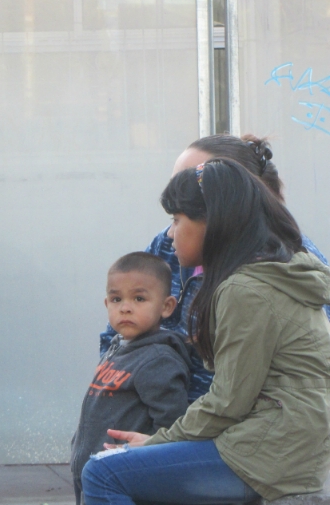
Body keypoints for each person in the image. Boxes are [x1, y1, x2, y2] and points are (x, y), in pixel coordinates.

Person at [81, 159, 330, 505]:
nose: (170, 233)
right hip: (285, 446)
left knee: (102, 473)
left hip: (267, 455)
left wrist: (157, 441)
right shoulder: (271, 272)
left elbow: (229, 401)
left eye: (177, 220)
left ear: (212, 224)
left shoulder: (247, 290)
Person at [100, 134, 330, 401]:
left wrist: (175, 437)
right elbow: (117, 329)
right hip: (157, 419)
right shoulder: (168, 245)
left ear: (233, 195)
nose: (179, 196)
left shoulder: (287, 266)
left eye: (194, 186)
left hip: (228, 428)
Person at [71, 252, 190, 505]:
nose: (125, 307)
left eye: (139, 298)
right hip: (96, 476)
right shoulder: (117, 349)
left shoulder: (158, 359)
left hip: (127, 482)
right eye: (116, 299)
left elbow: (173, 427)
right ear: (106, 304)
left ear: (166, 306)